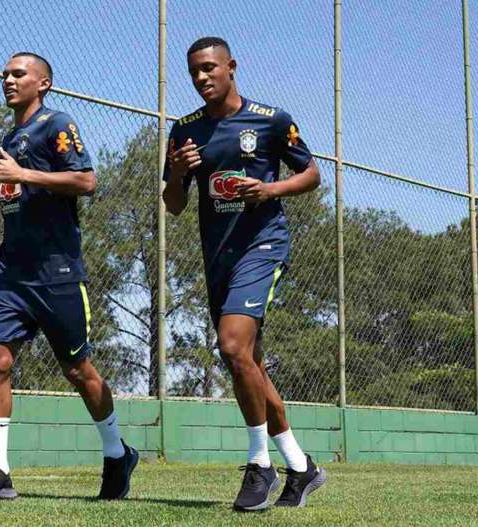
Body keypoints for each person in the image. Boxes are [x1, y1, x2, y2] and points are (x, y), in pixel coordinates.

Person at [0, 52, 137, 502]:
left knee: (78, 370)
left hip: (57, 274)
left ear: (43, 83)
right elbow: (20, 195)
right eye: (3, 73)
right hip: (10, 273)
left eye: (18, 73)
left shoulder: (57, 124)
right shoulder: (10, 136)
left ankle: (117, 453)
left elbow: (86, 181)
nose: (7, 79)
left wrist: (22, 173)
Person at [162, 37, 326, 511]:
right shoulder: (185, 130)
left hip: (263, 245)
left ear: (231, 67)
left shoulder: (271, 119)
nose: (201, 78)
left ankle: (260, 465)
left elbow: (312, 174)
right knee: (246, 363)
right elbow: (173, 206)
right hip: (219, 256)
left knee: (232, 346)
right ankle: (301, 466)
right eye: (194, 71)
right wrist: (176, 172)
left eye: (210, 68)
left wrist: (269, 188)